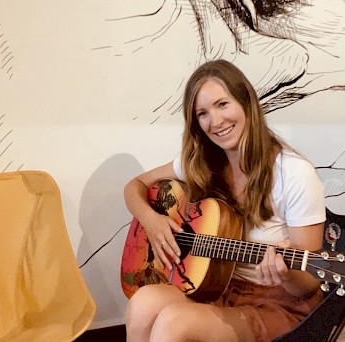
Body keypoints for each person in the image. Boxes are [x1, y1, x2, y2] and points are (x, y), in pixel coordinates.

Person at [123, 59, 326, 342]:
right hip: (216, 286)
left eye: (222, 105)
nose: (215, 122)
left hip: (277, 302)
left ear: (246, 102)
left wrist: (286, 274)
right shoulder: (202, 162)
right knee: (142, 303)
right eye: (202, 113)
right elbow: (134, 186)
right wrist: (152, 221)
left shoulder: (293, 173)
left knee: (173, 323)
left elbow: (308, 283)